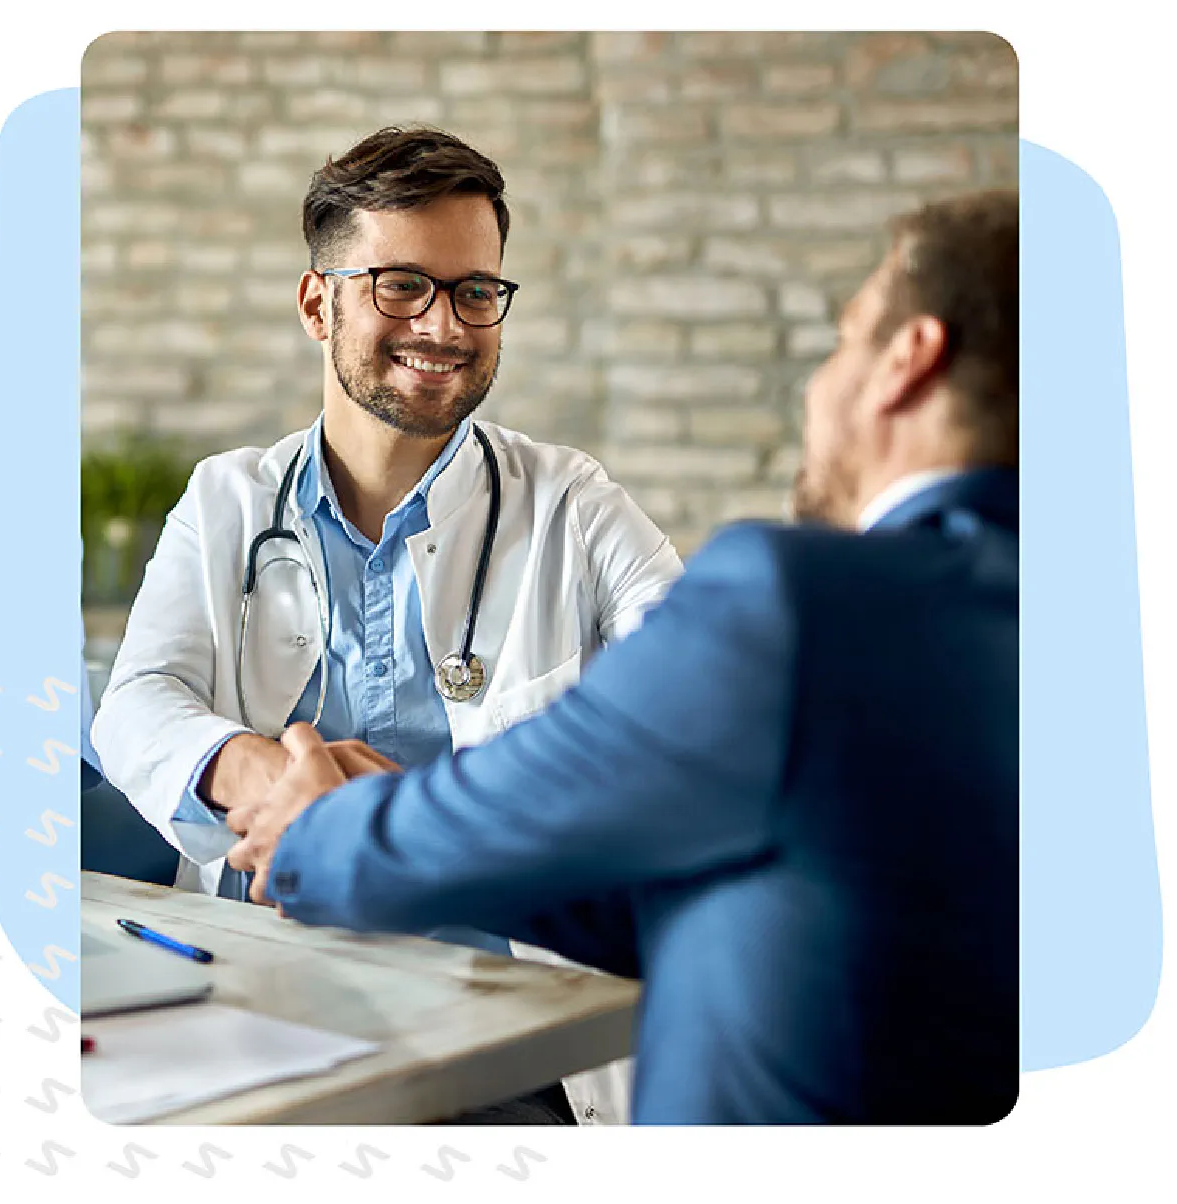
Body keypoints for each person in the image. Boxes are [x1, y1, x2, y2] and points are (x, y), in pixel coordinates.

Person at [225, 190, 1021, 1125]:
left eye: (843, 340)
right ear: (320, 304)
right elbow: (756, 876)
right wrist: (408, 815)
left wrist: (326, 829)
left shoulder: (792, 604)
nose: (817, 386)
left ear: (905, 362)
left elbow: (631, 725)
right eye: (404, 286)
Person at [91, 126, 682, 1126]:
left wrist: (414, 817)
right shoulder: (227, 497)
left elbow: (699, 710)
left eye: (475, 291)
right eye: (401, 284)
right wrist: (273, 779)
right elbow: (136, 703)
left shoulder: (572, 505)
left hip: (499, 1034)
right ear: (318, 303)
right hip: (252, 1005)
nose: (443, 325)